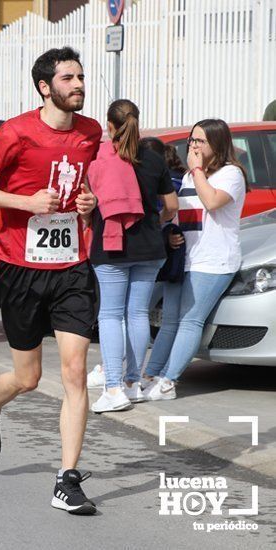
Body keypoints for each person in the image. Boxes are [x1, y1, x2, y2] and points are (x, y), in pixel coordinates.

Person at [0, 47, 102, 515]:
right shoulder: (17, 132)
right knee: (28, 378)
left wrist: (87, 201)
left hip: (73, 267)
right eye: (68, 78)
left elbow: (82, 185)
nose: (78, 84)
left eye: (80, 76)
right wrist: (25, 204)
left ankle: (67, 480)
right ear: (46, 87)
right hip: (22, 268)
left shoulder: (90, 132)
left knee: (75, 372)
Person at [142, 119, 248, 400]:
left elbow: (212, 202)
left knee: (190, 321)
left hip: (213, 262)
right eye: (192, 140)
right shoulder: (191, 176)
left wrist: (198, 169)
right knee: (170, 321)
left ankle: (168, 382)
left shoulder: (231, 174)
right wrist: (170, 234)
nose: (194, 146)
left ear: (218, 143)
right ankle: (150, 376)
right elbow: (179, 214)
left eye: (200, 141)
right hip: (185, 259)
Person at [86, 100, 178, 413]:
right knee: (137, 313)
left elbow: (86, 202)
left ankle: (112, 388)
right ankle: (131, 383)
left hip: (112, 246)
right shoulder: (154, 157)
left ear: (109, 125)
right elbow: (172, 205)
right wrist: (156, 220)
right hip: (151, 246)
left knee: (110, 315)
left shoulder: (99, 157)